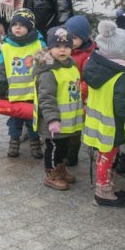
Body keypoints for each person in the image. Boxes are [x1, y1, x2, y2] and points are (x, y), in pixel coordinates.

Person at [82, 20, 125, 207]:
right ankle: (104, 193)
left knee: (103, 157)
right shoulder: (120, 76)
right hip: (111, 126)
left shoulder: (94, 65)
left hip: (97, 123)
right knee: (107, 158)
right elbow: (124, 106)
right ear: (122, 51)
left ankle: (105, 188)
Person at [35, 26, 85, 191]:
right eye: (57, 46)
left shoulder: (71, 66)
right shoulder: (48, 71)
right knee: (54, 147)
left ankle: (60, 169)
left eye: (66, 46)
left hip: (68, 121)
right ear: (49, 48)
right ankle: (52, 174)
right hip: (54, 121)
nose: (62, 50)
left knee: (63, 147)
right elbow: (46, 97)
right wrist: (52, 120)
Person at [0, 8, 45, 159]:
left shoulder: (39, 45)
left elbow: (48, 67)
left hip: (33, 94)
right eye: (15, 24)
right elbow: (1, 68)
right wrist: (1, 87)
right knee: (14, 121)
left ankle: (35, 142)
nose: (17, 28)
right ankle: (14, 141)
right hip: (14, 95)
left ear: (30, 27)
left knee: (33, 120)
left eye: (22, 25)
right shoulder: (6, 47)